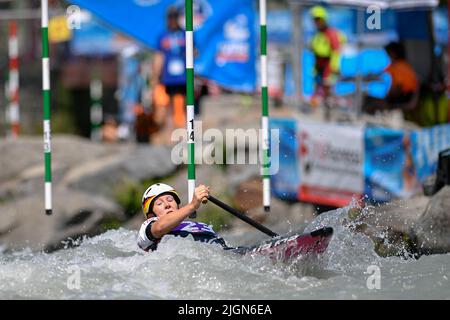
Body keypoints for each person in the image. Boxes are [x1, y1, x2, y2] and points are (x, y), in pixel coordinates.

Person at [137, 183, 231, 252]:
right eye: (159, 203)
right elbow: (159, 227)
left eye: (170, 200)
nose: (167, 204)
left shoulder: (199, 225)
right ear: (151, 215)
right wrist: (192, 205)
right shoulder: (146, 229)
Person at [150, 6, 187, 145]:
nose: (171, 21)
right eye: (169, 18)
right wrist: (155, 77)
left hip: (183, 77)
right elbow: (159, 57)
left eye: (174, 18)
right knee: (166, 106)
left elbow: (194, 52)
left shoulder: (185, 34)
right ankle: (169, 135)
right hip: (168, 78)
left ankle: (183, 134)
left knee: (182, 106)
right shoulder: (163, 36)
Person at [363, 42, 419, 115]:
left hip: (404, 97)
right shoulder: (400, 65)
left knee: (369, 101)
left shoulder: (399, 67)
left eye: (388, 54)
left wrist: (386, 99)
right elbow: (382, 72)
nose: (388, 56)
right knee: (369, 99)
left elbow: (398, 88)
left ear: (393, 54)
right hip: (403, 96)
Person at [309, 6, 346, 114]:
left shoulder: (331, 33)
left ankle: (330, 112)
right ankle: (318, 113)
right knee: (317, 89)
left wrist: (334, 67)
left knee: (327, 88)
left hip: (328, 66)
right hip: (319, 66)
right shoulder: (317, 35)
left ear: (324, 19)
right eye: (315, 20)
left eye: (319, 19)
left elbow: (336, 51)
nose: (317, 22)